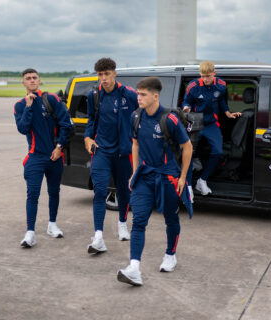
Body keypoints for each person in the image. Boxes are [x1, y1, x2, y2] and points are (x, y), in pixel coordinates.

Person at [117, 77, 193, 286]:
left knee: (170, 218)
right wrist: (134, 172)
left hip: (167, 176)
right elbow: (134, 144)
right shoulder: (136, 116)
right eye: (138, 93)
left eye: (143, 94)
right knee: (138, 220)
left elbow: (187, 148)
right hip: (144, 176)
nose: (138, 98)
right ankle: (134, 268)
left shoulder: (169, 119)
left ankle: (170, 254)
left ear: (155, 96)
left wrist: (183, 178)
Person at [13, 68, 73, 248]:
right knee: (32, 194)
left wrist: (59, 147)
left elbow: (67, 124)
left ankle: (52, 224)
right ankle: (30, 232)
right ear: (23, 83)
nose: (31, 80)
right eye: (28, 78)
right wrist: (29, 107)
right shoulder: (20, 106)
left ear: (39, 80)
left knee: (54, 192)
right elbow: (23, 128)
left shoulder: (51, 99)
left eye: (34, 78)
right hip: (35, 158)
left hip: (55, 156)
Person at [84, 58, 138, 253]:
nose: (103, 78)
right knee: (99, 191)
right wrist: (88, 137)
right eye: (100, 74)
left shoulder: (129, 94)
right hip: (102, 151)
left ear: (115, 73)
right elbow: (91, 120)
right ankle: (98, 236)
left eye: (107, 74)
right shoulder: (94, 95)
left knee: (124, 191)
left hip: (124, 153)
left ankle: (122, 224)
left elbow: (142, 116)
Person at [182, 61, 241, 196]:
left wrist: (228, 113)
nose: (205, 79)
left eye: (208, 76)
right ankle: (188, 185)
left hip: (210, 124)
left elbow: (221, 100)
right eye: (203, 76)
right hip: (195, 124)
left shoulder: (221, 85)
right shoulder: (193, 86)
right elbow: (186, 101)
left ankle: (202, 181)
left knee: (218, 152)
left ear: (214, 73)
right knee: (189, 153)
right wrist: (186, 108)